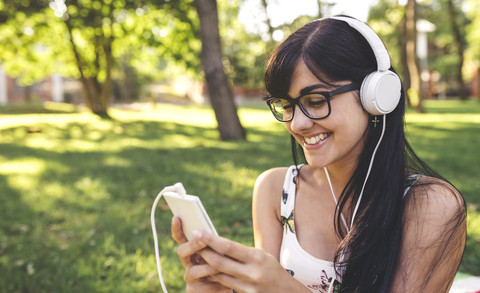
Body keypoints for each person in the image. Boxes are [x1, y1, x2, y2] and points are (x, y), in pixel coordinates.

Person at [171, 15, 466, 293]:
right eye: (286, 105)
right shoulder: (276, 190)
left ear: (376, 96)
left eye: (315, 100)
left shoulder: (431, 206)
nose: (296, 124)